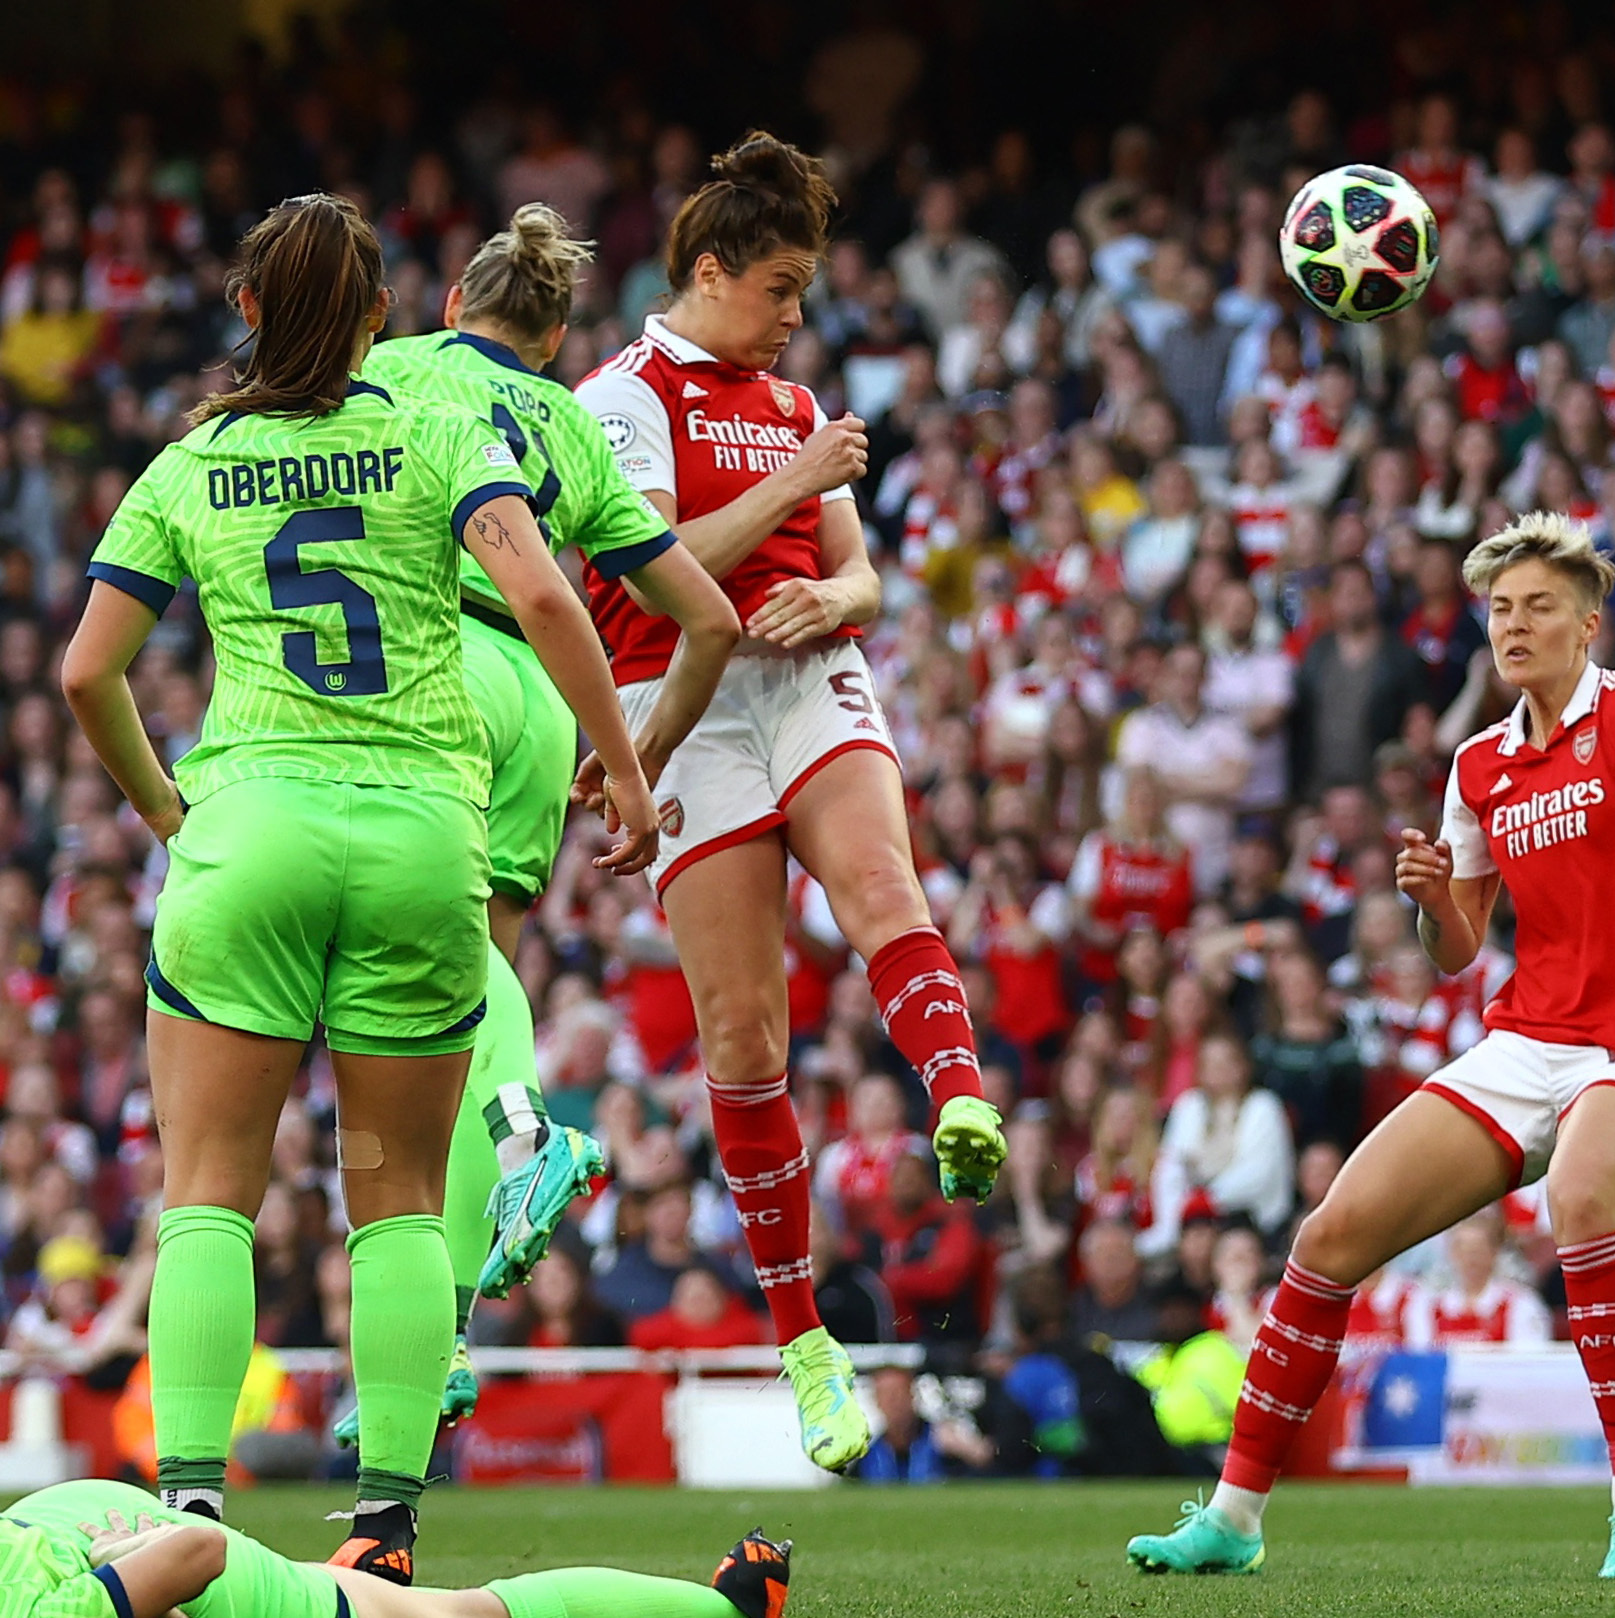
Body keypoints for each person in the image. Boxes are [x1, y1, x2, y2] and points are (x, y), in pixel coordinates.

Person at [63, 195, 655, 1580]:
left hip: (250, 827)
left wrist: (164, 807)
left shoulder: (192, 458)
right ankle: (385, 1528)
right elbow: (557, 603)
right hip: (414, 846)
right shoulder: (440, 432)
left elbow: (85, 670)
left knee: (209, 1191)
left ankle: (191, 1514)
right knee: (390, 1194)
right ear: (384, 318)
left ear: (248, 311)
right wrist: (623, 771)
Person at [1125, 512, 1615, 1580]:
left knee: (1578, 1203)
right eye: (1500, 609)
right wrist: (1432, 902)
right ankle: (1234, 1522)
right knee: (1329, 1236)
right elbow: (1455, 950)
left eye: (1539, 608)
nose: (1514, 625)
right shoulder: (1478, 764)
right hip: (1525, 1037)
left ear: (1588, 625)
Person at [572, 132, 1008, 1473]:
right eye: (777, 287)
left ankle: (956, 1096)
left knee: (883, 885)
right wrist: (795, 479)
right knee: (743, 1034)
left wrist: (840, 592)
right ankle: (804, 1337)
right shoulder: (623, 397)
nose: (794, 316)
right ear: (708, 269)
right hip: (677, 708)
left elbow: (866, 574)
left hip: (809, 674)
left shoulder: (786, 394)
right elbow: (655, 571)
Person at [356, 205, 739, 1437]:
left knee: (405, 982)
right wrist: (638, 756)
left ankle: (529, 1139)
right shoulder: (573, 422)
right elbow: (711, 619)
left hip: (434, 659)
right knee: (463, 1007)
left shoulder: (399, 366)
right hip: (543, 695)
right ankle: (448, 1334)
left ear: (456, 309)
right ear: (558, 333)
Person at [0, 1477, 792, 1618]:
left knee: (466, 1614)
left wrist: (118, 1567)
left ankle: (731, 1605)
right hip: (126, 1531)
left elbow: (197, 1548)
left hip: (227, 1579)